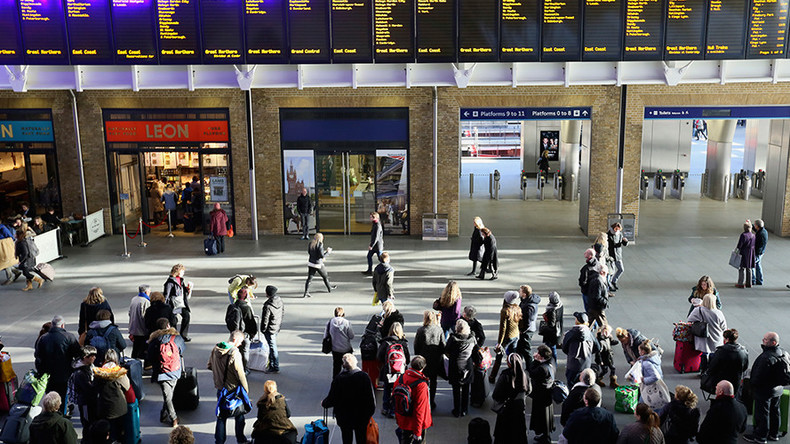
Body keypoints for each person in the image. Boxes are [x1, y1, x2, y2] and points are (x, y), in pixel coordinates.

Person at [321, 353, 376, 444]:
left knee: (346, 438)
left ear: (343, 365)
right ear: (356, 362)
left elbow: (332, 398)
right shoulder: (364, 377)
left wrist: (324, 403)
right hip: (361, 416)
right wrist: (369, 413)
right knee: (361, 438)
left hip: (344, 417)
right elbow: (371, 398)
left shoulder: (339, 379)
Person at [744, 332, 788, 444]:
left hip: (764, 390)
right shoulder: (783, 352)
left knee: (763, 414)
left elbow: (758, 376)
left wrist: (752, 385)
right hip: (778, 389)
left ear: (773, 342)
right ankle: (774, 434)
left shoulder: (766, 357)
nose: (763, 341)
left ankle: (760, 436)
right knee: (775, 411)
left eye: (765, 340)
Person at [208, 330, 251, 444]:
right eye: (241, 341)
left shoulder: (216, 348)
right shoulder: (234, 353)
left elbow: (210, 365)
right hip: (233, 389)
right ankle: (241, 440)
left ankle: (219, 441)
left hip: (220, 388)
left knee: (221, 417)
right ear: (235, 339)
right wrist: (246, 390)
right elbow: (240, 373)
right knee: (239, 415)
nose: (241, 344)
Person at [35, 315, 81, 411]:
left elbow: (38, 357)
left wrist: (40, 372)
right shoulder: (69, 337)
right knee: (63, 396)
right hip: (64, 374)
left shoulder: (43, 338)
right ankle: (62, 413)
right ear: (63, 325)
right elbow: (78, 354)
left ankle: (50, 412)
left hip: (48, 375)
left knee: (50, 396)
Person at [146, 317, 185, 428]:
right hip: (175, 370)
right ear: (168, 325)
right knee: (168, 396)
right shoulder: (176, 338)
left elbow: (150, 356)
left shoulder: (154, 340)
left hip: (161, 372)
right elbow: (182, 350)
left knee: (168, 396)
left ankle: (168, 415)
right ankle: (173, 417)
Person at [93, 349, 133, 440]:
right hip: (119, 408)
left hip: (103, 407)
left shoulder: (98, 373)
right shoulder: (119, 373)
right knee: (118, 430)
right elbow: (127, 387)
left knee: (106, 431)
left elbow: (95, 388)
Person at [393, 356, 432, 444]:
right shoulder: (421, 385)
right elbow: (420, 410)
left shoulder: (402, 378)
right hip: (415, 424)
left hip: (403, 420)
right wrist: (418, 432)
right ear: (423, 367)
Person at [492, 353, 529, 443]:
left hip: (506, 409)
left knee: (504, 432)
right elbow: (528, 390)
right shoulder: (525, 375)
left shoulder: (505, 375)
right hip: (519, 408)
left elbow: (496, 394)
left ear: (510, 363)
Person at [686, 293, 727, 372]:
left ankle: (703, 370)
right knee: (714, 353)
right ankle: (711, 370)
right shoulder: (718, 313)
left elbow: (690, 320)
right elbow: (723, 327)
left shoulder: (698, 310)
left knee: (704, 353)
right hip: (716, 336)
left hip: (703, 336)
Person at [377, 322, 410, 418]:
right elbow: (407, 359)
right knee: (398, 390)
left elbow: (379, 357)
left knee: (387, 389)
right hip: (400, 372)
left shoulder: (386, 342)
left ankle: (385, 408)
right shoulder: (403, 343)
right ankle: (394, 409)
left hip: (388, 371)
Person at [703, 328, 749, 395]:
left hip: (722, 380)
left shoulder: (721, 351)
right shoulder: (744, 351)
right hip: (736, 380)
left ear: (726, 339)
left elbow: (712, 367)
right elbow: (745, 367)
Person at [414, 310, 444, 409]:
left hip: (424, 359)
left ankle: (424, 400)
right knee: (434, 381)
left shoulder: (421, 330)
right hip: (435, 359)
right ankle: (432, 401)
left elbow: (416, 345)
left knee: (423, 381)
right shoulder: (439, 330)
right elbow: (442, 345)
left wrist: (418, 355)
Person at [251, 380, 297, 444]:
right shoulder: (282, 400)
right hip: (283, 428)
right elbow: (288, 414)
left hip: (266, 429)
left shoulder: (261, 402)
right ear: (275, 389)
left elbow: (260, 418)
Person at [446, 319, 476, 418]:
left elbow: (447, 350)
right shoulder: (472, 339)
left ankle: (457, 410)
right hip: (468, 367)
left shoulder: (453, 339)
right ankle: (464, 409)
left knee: (456, 390)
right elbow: (476, 351)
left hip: (455, 367)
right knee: (466, 389)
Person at [490, 291, 521, 384]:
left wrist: (499, 342)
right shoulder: (517, 308)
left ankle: (492, 376)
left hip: (507, 337)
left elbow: (502, 328)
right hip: (516, 335)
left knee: (499, 357)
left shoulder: (505, 311)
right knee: (513, 357)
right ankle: (515, 375)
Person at [68, 345, 98, 441]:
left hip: (87, 401)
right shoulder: (80, 373)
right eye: (92, 356)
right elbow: (89, 389)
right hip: (85, 401)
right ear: (85, 358)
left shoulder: (86, 367)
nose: (95, 358)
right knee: (87, 422)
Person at [562, 312, 599, 387]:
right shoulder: (590, 334)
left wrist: (571, 353)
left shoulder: (570, 334)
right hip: (586, 364)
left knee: (571, 386)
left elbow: (564, 348)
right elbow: (598, 347)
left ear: (577, 321)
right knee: (585, 386)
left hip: (573, 364)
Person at [527, 345, 554, 444]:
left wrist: (535, 360)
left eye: (538, 353)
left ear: (542, 357)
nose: (536, 354)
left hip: (540, 396)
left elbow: (531, 371)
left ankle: (545, 437)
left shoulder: (542, 369)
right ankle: (545, 434)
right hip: (547, 394)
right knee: (545, 417)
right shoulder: (551, 362)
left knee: (541, 417)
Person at [228, 287, 258, 374]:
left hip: (234, 333)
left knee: (235, 351)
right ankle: (244, 369)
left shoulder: (232, 306)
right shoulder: (246, 307)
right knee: (245, 351)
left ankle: (235, 367)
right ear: (245, 297)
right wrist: (252, 333)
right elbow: (251, 322)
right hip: (244, 334)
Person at [637, 340, 670, 411]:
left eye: (639, 351)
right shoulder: (654, 357)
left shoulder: (647, 363)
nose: (638, 352)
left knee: (645, 402)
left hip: (650, 385)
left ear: (642, 352)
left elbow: (655, 376)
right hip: (656, 383)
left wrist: (644, 380)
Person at [164, 264, 192, 341]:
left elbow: (182, 290)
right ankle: (175, 336)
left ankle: (183, 335)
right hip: (173, 305)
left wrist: (187, 289)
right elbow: (166, 295)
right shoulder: (169, 282)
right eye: (182, 271)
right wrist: (165, 307)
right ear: (178, 272)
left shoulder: (181, 280)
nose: (183, 273)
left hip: (180, 303)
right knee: (173, 320)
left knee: (186, 316)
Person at [304, 233, 337, 298]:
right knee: (325, 276)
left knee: (309, 279)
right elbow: (321, 255)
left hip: (311, 263)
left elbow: (309, 252)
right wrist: (328, 252)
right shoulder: (320, 245)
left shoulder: (311, 244)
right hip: (318, 264)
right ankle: (329, 288)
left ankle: (306, 292)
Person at [325, 307, 355, 378]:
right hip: (346, 348)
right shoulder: (346, 322)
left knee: (336, 367)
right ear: (343, 314)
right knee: (348, 366)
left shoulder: (330, 322)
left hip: (335, 349)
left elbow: (325, 335)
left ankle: (336, 381)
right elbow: (351, 336)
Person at [260, 285, 283, 373]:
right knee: (272, 346)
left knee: (272, 347)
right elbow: (282, 313)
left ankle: (275, 366)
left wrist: (263, 329)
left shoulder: (267, 305)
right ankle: (272, 364)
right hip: (276, 326)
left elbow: (265, 319)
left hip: (270, 329)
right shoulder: (279, 301)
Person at [539, 291, 564, 362]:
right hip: (558, 330)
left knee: (551, 349)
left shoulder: (551, 310)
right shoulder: (560, 305)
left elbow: (551, 324)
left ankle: (552, 363)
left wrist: (546, 318)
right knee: (553, 348)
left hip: (552, 333)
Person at [128, 284, 151, 359]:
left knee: (135, 348)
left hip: (134, 327)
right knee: (142, 349)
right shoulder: (145, 301)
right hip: (141, 329)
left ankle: (133, 361)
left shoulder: (134, 299)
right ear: (146, 292)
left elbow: (129, 312)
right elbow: (146, 316)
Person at [595, 324, 619, 389]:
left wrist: (616, 342)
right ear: (604, 332)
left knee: (612, 368)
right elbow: (598, 353)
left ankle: (612, 381)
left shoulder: (607, 337)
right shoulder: (600, 341)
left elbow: (611, 342)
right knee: (605, 370)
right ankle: (598, 379)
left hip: (609, 356)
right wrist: (600, 361)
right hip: (604, 358)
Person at [586, 263, 610, 329]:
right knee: (604, 327)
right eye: (606, 273)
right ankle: (606, 338)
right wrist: (605, 302)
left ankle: (583, 334)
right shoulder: (598, 281)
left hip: (593, 306)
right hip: (598, 308)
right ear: (602, 272)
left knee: (589, 323)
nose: (607, 275)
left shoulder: (596, 279)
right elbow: (596, 296)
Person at [607, 222, 628, 291]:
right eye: (616, 229)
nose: (617, 231)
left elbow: (623, 243)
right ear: (613, 228)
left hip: (618, 255)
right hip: (611, 255)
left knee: (621, 269)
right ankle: (609, 284)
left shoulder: (619, 234)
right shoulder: (608, 235)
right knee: (611, 271)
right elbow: (611, 245)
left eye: (618, 229)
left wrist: (625, 241)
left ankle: (614, 281)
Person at [736, 221, 756, 288]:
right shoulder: (753, 235)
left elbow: (740, 245)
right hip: (750, 253)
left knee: (741, 268)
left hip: (743, 253)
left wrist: (736, 251)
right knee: (749, 268)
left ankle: (740, 283)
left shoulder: (743, 235)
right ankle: (749, 283)